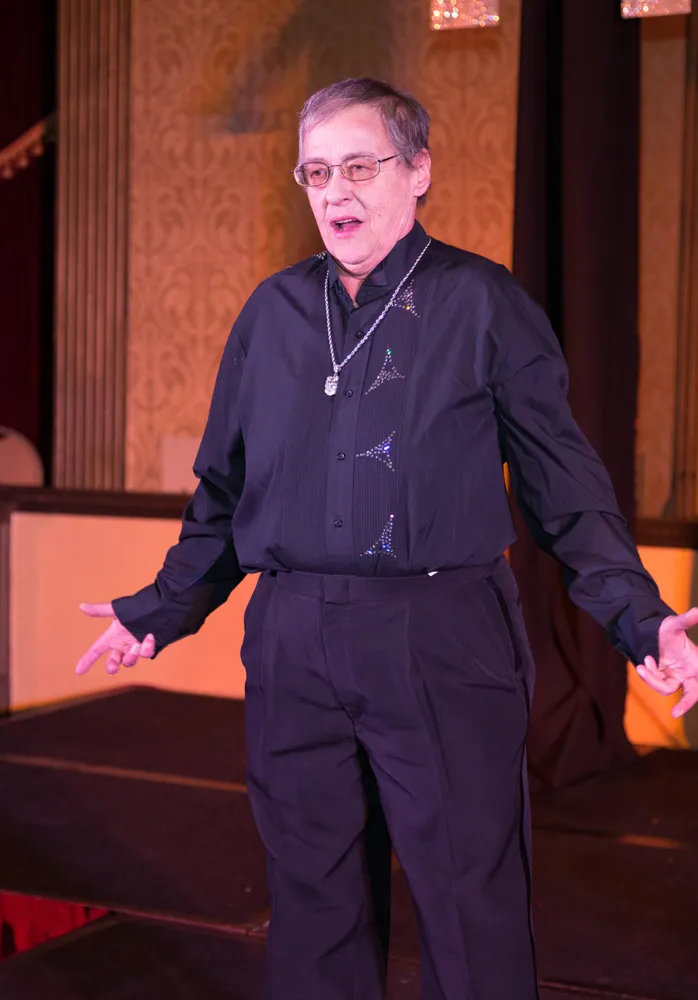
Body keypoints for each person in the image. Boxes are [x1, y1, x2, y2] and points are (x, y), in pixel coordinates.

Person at [74, 78, 698, 1000]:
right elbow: (225, 493)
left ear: (419, 171)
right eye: (317, 172)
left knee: (469, 902)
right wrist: (160, 610)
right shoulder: (271, 314)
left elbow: (566, 488)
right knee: (312, 906)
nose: (336, 191)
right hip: (292, 641)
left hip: (440, 635)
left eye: (360, 167)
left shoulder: (484, 304)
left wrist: (640, 620)